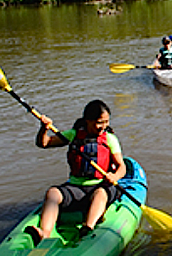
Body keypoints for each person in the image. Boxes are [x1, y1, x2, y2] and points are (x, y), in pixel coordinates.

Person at [24, 100, 127, 246]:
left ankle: (87, 228)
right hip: (76, 189)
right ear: (88, 121)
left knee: (100, 194)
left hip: (100, 186)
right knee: (53, 193)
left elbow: (122, 166)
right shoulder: (73, 135)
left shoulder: (109, 139)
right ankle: (44, 234)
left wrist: (115, 176)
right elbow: (44, 143)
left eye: (106, 122)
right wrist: (43, 128)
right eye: (99, 122)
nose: (103, 127)